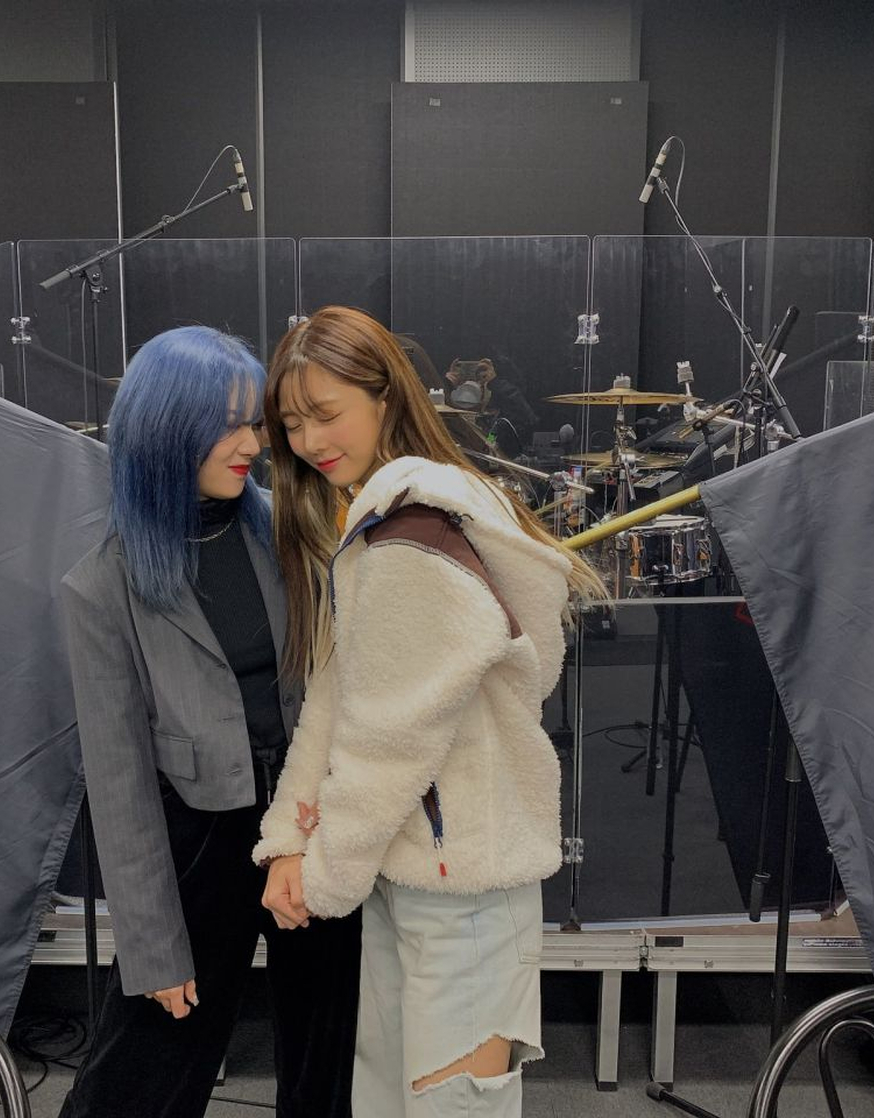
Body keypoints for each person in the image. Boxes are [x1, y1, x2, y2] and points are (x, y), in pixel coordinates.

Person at [251, 306, 605, 1116]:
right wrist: (290, 842)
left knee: (448, 1106)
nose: (308, 441)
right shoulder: (393, 524)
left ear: (385, 397)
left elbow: (387, 739)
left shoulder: (409, 538)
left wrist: (320, 873)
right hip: (419, 870)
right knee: (396, 1099)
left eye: (325, 413)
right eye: (291, 424)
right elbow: (338, 697)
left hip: (460, 883)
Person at [58, 326, 358, 1118]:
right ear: (165, 431)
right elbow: (119, 785)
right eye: (226, 426)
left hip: (309, 822)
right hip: (198, 838)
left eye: (253, 422)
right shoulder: (103, 587)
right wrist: (152, 949)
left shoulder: (292, 531)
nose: (252, 445)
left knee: (329, 1060)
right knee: (147, 1072)